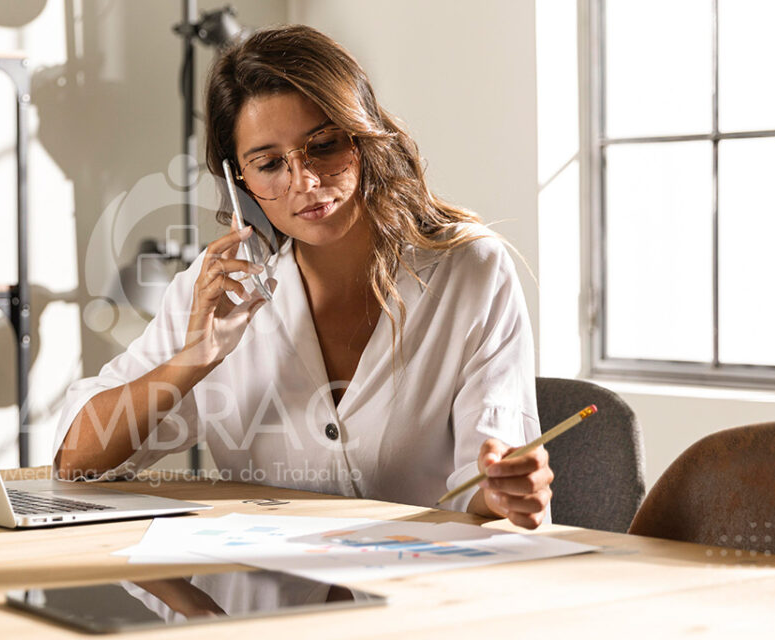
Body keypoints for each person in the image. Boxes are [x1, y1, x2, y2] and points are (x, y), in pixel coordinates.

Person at [52, 25, 552, 529]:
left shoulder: (468, 271)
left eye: (325, 145)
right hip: (260, 598)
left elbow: (488, 481)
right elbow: (76, 463)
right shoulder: (217, 292)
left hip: (421, 590)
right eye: (269, 163)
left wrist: (505, 490)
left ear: (363, 135)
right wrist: (195, 359)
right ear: (238, 181)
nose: (305, 181)